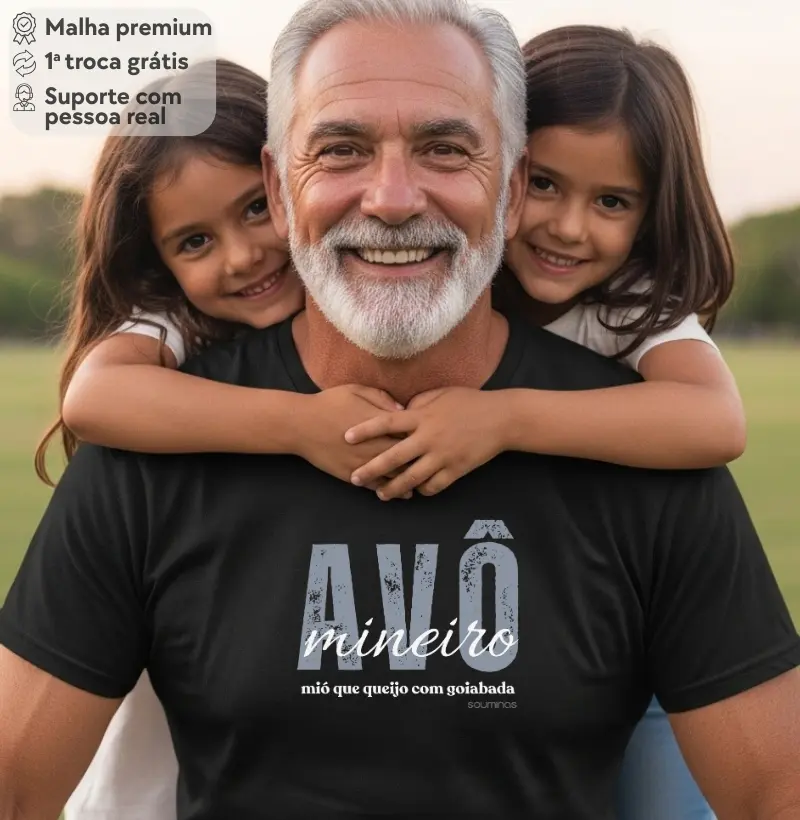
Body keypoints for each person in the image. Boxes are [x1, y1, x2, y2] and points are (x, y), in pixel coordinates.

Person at [2, 1, 799, 817]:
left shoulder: (639, 441)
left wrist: (511, 418)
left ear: (510, 186)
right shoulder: (158, 438)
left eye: (444, 148)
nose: (390, 199)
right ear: (279, 189)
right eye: (341, 149)